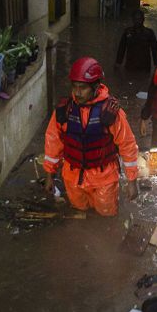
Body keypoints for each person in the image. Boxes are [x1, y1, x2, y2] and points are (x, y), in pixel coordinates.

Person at [43, 57, 138, 216]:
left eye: (83, 88)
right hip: (73, 178)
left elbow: (127, 146)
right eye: (75, 87)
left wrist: (132, 181)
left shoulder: (110, 112)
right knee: (80, 214)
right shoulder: (64, 111)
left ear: (95, 87)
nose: (77, 93)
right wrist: (49, 175)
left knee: (106, 216)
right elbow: (53, 143)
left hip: (104, 178)